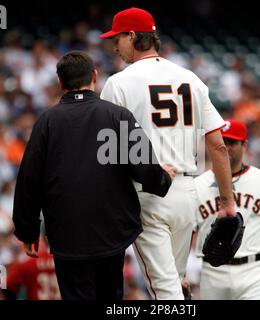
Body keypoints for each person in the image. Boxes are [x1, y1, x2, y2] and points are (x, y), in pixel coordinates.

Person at [12, 51, 175, 300]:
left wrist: (27, 230)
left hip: (67, 233)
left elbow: (29, 180)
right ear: (95, 76)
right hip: (112, 231)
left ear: (60, 82)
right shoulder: (117, 115)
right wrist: (164, 178)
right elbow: (144, 167)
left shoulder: (47, 121)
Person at [99, 7, 236, 300]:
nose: (114, 45)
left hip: (147, 194)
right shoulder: (191, 79)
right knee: (176, 283)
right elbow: (219, 146)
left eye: (118, 37)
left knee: (166, 291)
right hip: (187, 193)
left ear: (133, 36)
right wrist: (228, 202)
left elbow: (109, 153)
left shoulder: (118, 82)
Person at [195, 119, 260, 300]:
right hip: (212, 273)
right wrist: (179, 274)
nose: (226, 147)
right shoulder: (197, 185)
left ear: (244, 145)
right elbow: (184, 233)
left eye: (232, 142)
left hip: (253, 272)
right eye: (222, 141)